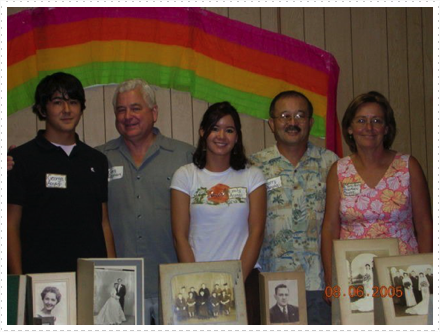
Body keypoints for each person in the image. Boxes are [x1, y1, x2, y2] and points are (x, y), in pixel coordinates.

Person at [95, 79, 194, 324]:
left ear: (154, 112)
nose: (128, 116)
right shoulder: (97, 159)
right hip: (120, 289)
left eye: (136, 108)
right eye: (121, 109)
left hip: (174, 282)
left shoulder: (186, 157)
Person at [321, 91, 433, 297]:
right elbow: (329, 228)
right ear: (350, 128)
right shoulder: (338, 170)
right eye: (361, 120)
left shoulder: (408, 166)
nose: (369, 128)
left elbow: (425, 226)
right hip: (354, 275)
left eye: (376, 121)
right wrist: (330, 278)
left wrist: (427, 273)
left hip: (405, 273)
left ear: (387, 128)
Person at [7, 72, 116, 275]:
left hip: (89, 278)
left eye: (73, 102)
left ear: (81, 108)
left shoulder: (96, 160)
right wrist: (17, 282)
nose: (67, 110)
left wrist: (112, 272)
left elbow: (103, 223)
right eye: (57, 102)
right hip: (40, 280)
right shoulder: (21, 159)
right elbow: (10, 225)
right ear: (42, 109)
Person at [170, 102, 267, 324]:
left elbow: (257, 232)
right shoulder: (185, 176)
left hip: (243, 279)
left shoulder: (252, 176)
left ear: (237, 137)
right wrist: (196, 281)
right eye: (215, 128)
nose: (221, 135)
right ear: (203, 132)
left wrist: (234, 282)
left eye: (229, 130)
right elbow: (180, 237)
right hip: (197, 282)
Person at [250, 91, 338, 324]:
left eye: (300, 115)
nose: (292, 122)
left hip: (321, 284)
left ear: (310, 122)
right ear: (272, 123)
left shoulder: (331, 163)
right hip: (273, 284)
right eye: (284, 116)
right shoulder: (255, 166)